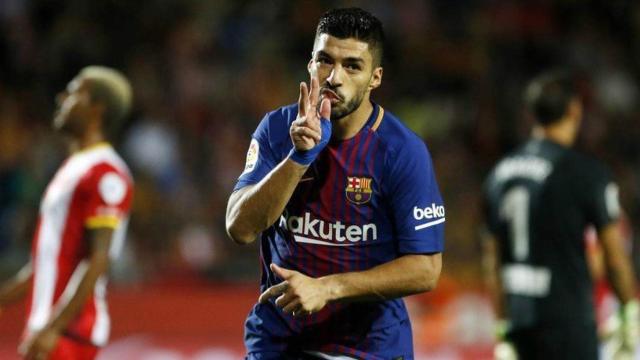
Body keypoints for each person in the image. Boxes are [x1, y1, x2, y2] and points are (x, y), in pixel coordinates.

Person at [225, 7, 445, 360]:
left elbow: (425, 269)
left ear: (375, 78)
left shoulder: (401, 151)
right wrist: (298, 157)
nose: (334, 77)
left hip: (366, 347)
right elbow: (240, 228)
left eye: (352, 66)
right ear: (310, 64)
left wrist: (327, 288)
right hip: (279, 343)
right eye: (325, 60)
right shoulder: (278, 130)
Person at [482, 70, 638, 360]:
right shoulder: (586, 173)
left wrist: (502, 326)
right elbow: (614, 254)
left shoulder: (499, 175)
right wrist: (629, 310)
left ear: (530, 114)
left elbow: (492, 258)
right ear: (574, 111)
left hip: (520, 322)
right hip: (568, 325)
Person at [0, 66, 134, 360]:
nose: (62, 98)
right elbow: (44, 265)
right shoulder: (72, 169)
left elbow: (99, 258)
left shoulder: (106, 172)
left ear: (97, 110)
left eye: (75, 92)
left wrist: (54, 327)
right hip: (49, 328)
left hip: (70, 331)